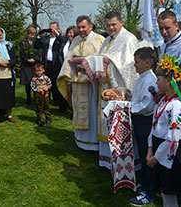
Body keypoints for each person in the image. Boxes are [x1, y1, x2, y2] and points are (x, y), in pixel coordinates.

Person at [135, 54, 181, 207]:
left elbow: (173, 139)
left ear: (168, 81)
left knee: (170, 192)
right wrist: (149, 150)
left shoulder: (176, 106)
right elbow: (154, 127)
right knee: (164, 190)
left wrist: (155, 158)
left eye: (159, 79)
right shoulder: (163, 101)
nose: (156, 82)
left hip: (168, 156)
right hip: (157, 150)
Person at [97, 11, 139, 168]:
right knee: (106, 123)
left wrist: (109, 62)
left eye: (113, 24)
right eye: (108, 25)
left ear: (121, 22)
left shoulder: (128, 39)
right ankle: (107, 162)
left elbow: (129, 66)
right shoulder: (107, 39)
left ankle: (124, 164)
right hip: (105, 88)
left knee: (120, 127)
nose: (110, 28)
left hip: (120, 90)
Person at [57, 15, 105, 151]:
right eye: (79, 27)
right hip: (78, 84)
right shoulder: (76, 40)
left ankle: (95, 143)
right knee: (80, 112)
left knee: (93, 113)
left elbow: (102, 61)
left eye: (84, 27)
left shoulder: (100, 40)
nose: (81, 30)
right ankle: (82, 141)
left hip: (92, 85)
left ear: (91, 26)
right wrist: (68, 80)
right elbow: (68, 60)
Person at [128, 47, 158, 206]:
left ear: (148, 63)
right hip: (139, 120)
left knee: (147, 155)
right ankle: (145, 184)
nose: (135, 65)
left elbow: (146, 105)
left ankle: (149, 192)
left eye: (137, 62)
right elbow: (138, 97)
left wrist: (129, 108)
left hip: (146, 121)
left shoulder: (150, 79)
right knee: (141, 150)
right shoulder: (142, 77)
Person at [34, 21, 68, 112]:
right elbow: (36, 46)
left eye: (54, 28)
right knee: (48, 83)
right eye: (50, 28)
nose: (52, 30)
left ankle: (62, 105)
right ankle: (49, 103)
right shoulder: (45, 38)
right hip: (47, 64)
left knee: (58, 84)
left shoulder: (60, 38)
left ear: (58, 28)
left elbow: (64, 42)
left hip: (57, 63)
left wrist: (57, 35)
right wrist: (39, 35)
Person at [19, 26, 37, 106]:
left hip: (34, 65)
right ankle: (28, 99)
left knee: (35, 82)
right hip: (26, 65)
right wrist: (27, 60)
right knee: (28, 83)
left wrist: (35, 59)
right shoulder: (23, 42)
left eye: (33, 34)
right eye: (30, 34)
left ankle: (36, 98)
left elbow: (39, 53)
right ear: (28, 34)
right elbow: (22, 53)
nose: (32, 36)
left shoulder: (36, 42)